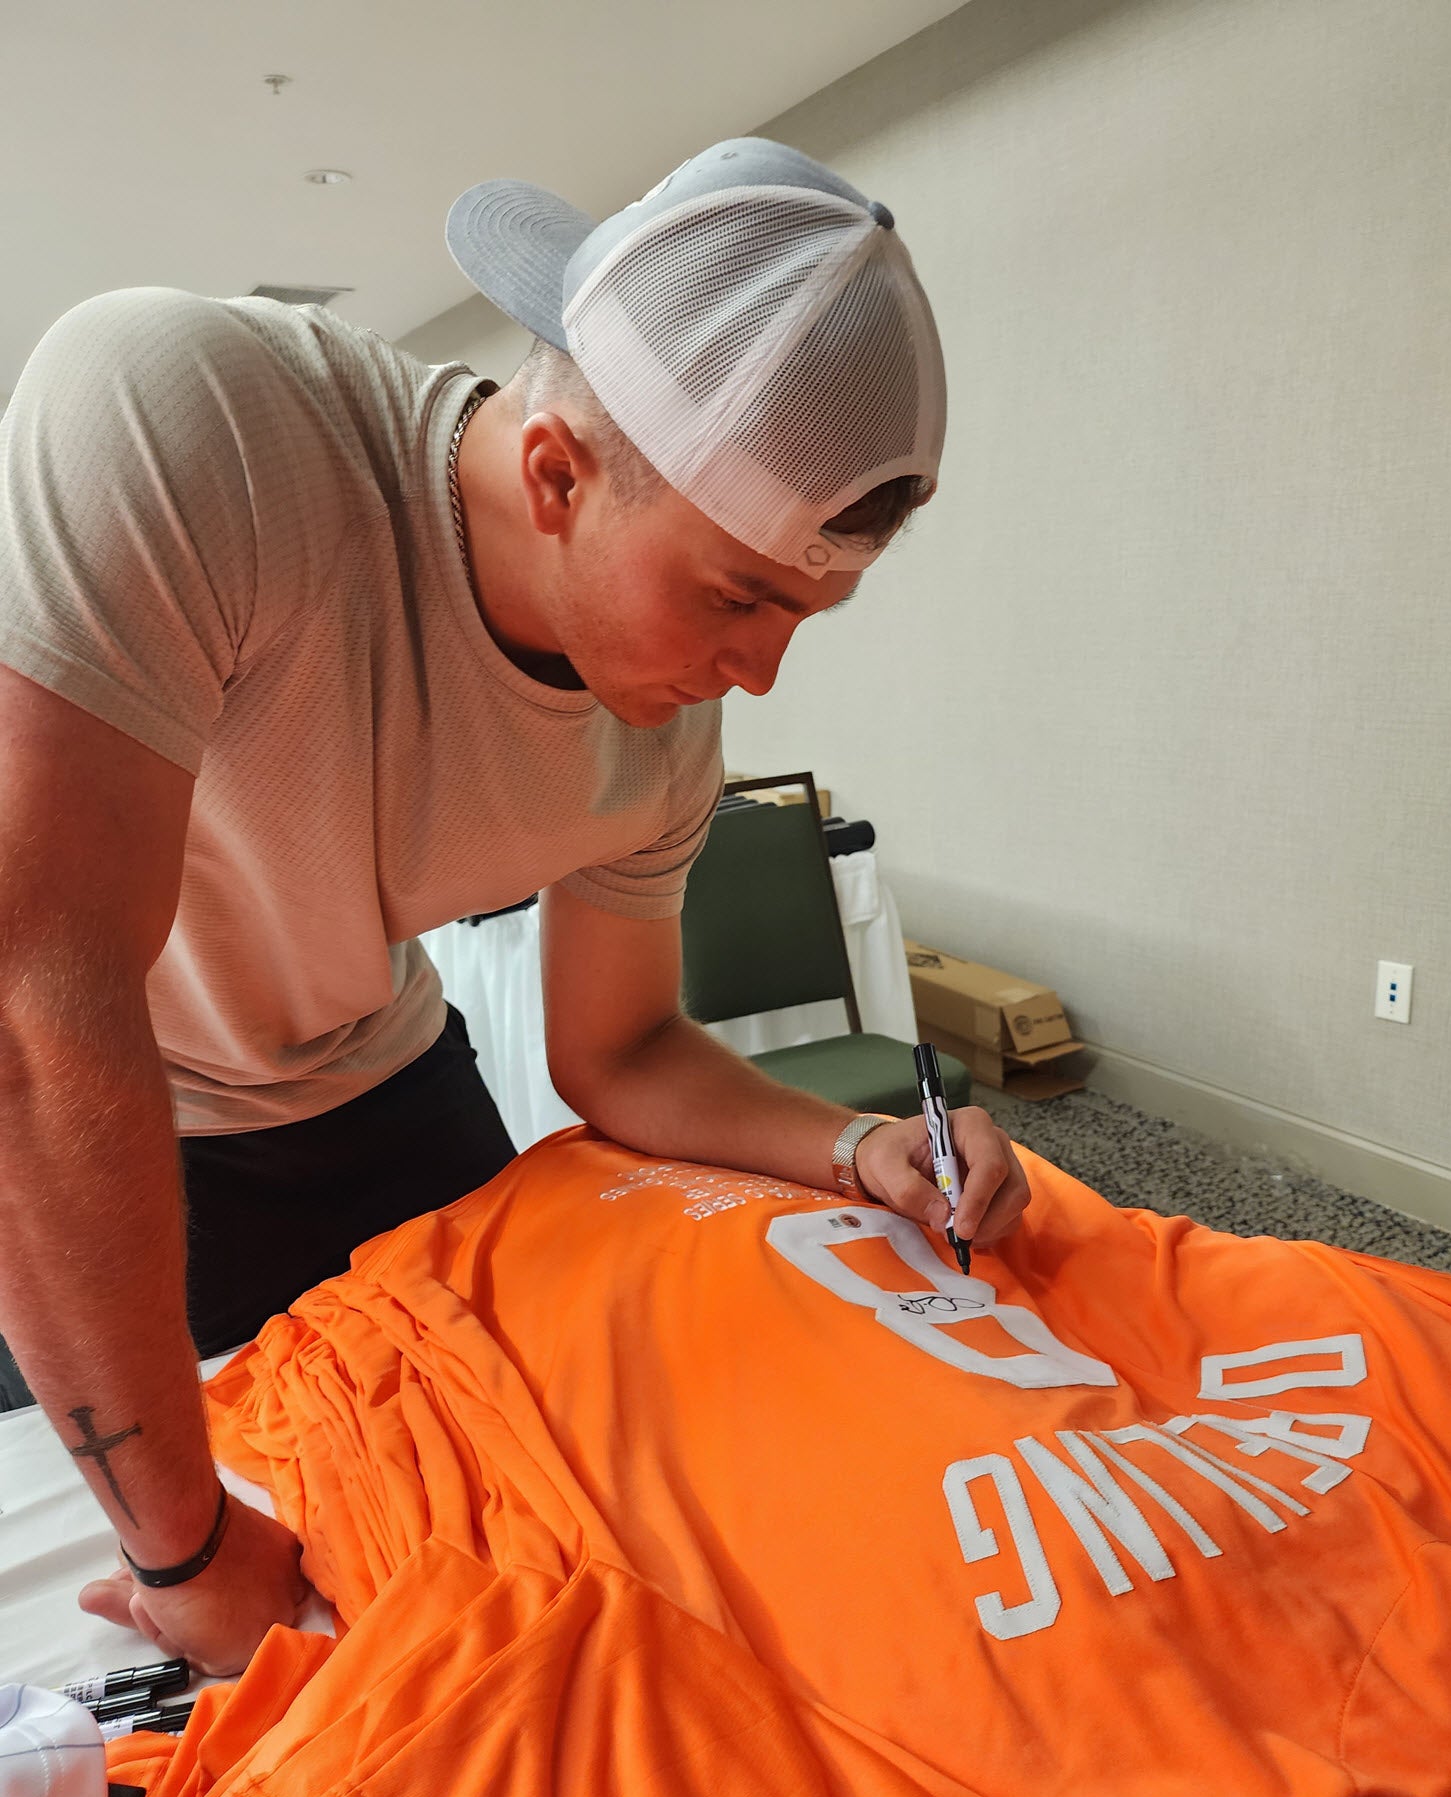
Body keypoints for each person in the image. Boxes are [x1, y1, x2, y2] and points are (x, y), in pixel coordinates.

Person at [0, 137, 1031, 1676]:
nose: (759, 675)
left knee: (564, 1540)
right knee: (201, 1644)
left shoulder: (664, 726)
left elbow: (621, 1049)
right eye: (737, 596)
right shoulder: (189, 419)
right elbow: (36, 1014)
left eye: (805, 615)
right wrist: (189, 1549)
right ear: (557, 473)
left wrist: (854, 1147)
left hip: (378, 1077)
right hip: (119, 1119)